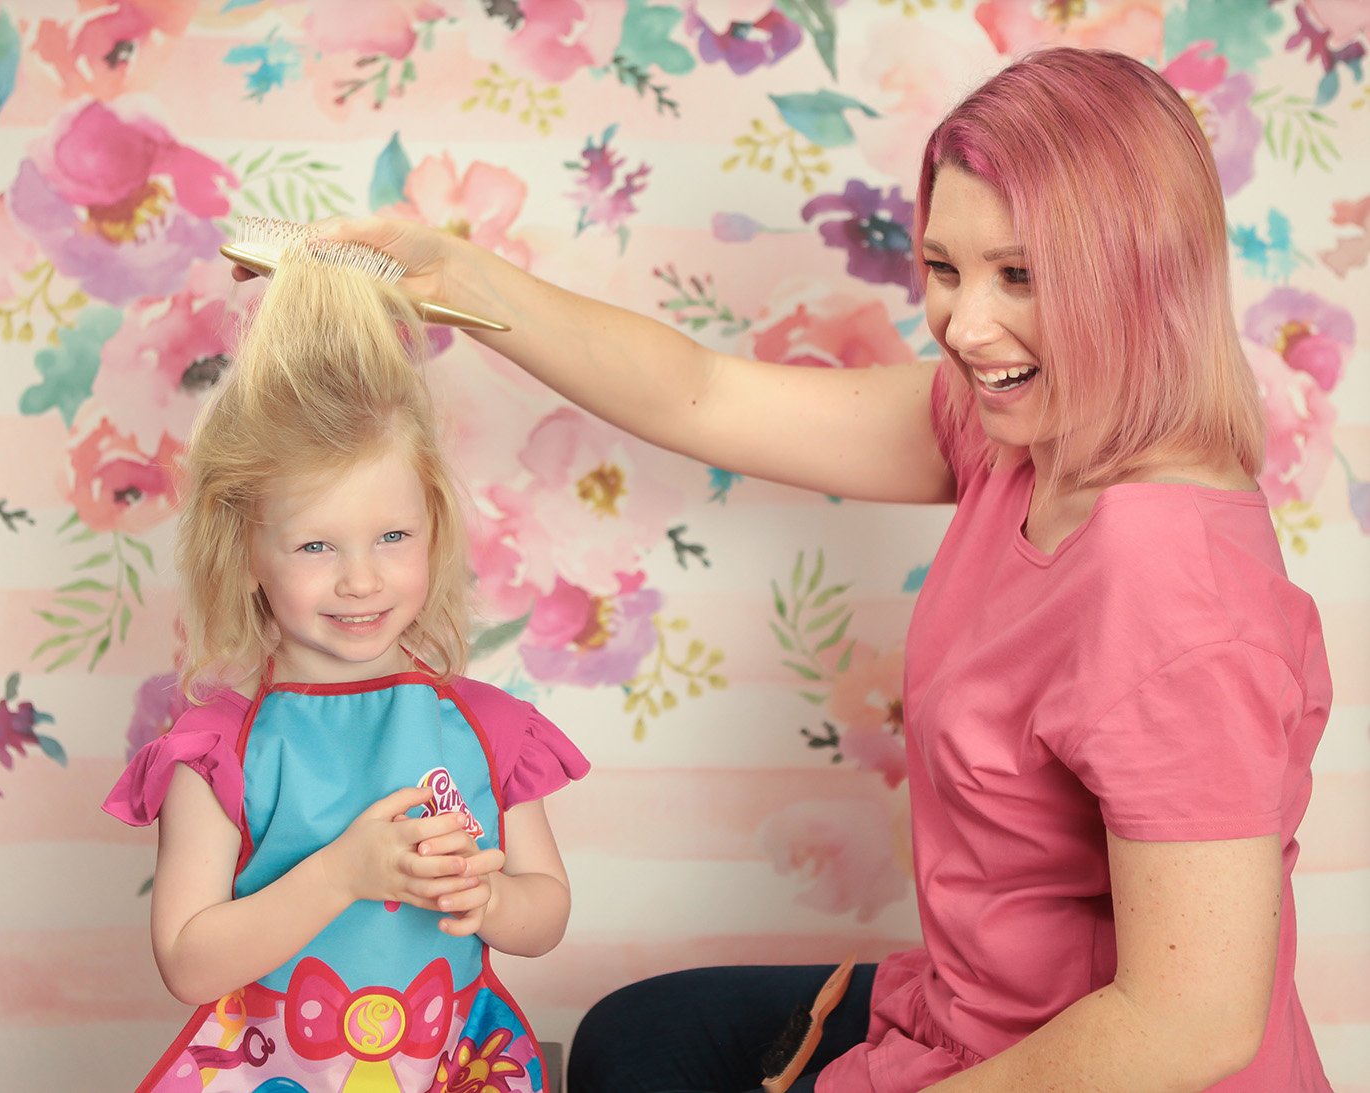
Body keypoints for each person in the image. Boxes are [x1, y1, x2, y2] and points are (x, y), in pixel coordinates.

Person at [291, 45, 1334, 1092]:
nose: (967, 328)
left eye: (1021, 274)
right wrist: (454, 274)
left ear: (1139, 271)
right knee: (635, 1041)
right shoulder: (1026, 435)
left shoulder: (1178, 594)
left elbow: (1187, 1024)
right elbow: (702, 393)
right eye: (945, 268)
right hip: (970, 1013)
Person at [103, 246, 588, 1092]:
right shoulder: (218, 747)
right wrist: (340, 873)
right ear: (246, 550)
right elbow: (188, 960)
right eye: (316, 545)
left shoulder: (482, 727)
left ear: (433, 528)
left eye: (392, 537)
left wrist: (495, 902)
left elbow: (546, 903)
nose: (360, 579)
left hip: (450, 1066)